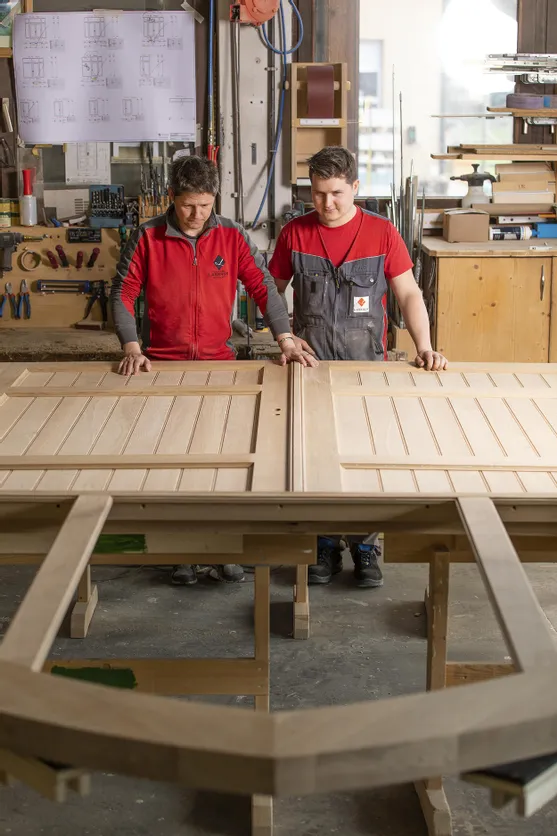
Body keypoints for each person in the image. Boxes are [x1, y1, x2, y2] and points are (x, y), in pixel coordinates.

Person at [111, 154, 317, 587]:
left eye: (205, 205)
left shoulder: (231, 235)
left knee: (223, 465)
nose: (197, 215)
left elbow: (263, 287)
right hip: (162, 367)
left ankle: (224, 548)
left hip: (220, 367)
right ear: (172, 197)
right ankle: (181, 553)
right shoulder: (147, 236)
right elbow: (123, 294)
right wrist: (131, 345)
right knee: (171, 465)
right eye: (188, 205)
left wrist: (284, 338)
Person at [269, 145, 448, 588]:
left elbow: (408, 294)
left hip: (367, 369)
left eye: (335, 194)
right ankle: (324, 546)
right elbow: (270, 291)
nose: (326, 204)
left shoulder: (382, 234)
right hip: (311, 371)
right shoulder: (295, 233)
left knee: (367, 461)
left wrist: (424, 345)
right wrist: (282, 337)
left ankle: (366, 546)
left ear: (355, 188)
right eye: (317, 194)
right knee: (315, 461)